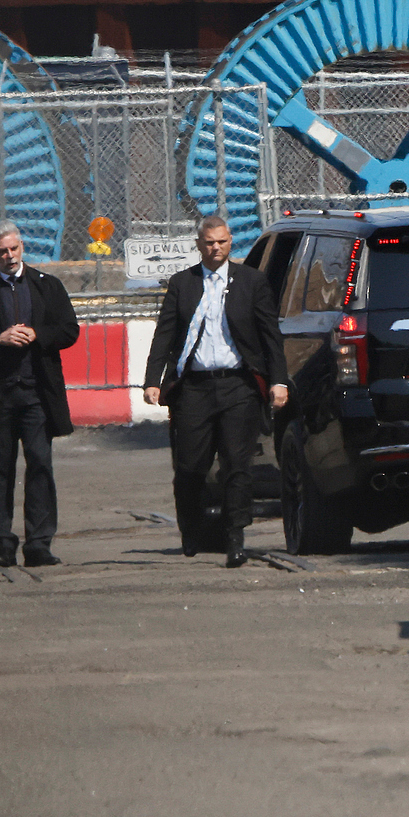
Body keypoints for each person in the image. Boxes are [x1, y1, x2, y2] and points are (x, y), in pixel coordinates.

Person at [143, 216, 287, 569]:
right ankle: (190, 528)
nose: (216, 248)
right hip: (194, 387)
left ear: (230, 241)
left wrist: (278, 381)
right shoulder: (183, 284)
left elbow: (270, 335)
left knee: (237, 465)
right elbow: (165, 334)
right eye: (209, 242)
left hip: (238, 385)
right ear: (199, 244)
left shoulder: (251, 282)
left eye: (222, 242)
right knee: (192, 466)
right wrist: (152, 379)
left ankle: (235, 537)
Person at [0, 221, 80, 568]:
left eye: (14, 249)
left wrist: (37, 334)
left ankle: (39, 543)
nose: (9, 256)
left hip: (36, 393)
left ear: (22, 247)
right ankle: (2, 544)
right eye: (1, 251)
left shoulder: (46, 286)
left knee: (40, 464)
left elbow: (69, 330)